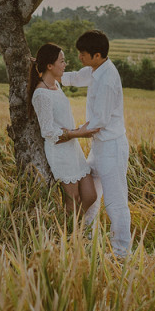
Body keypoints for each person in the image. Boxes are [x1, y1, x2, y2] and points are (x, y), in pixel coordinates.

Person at [62, 29, 131, 258]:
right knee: (90, 193)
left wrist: (70, 135)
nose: (80, 57)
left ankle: (121, 252)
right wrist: (46, 69)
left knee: (115, 201)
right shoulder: (95, 70)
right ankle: (86, 237)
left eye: (83, 53)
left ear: (98, 55)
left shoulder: (108, 80)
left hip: (111, 147)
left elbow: (97, 123)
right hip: (100, 147)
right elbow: (73, 78)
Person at [28, 43, 99, 218]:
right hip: (59, 151)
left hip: (72, 148)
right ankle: (68, 236)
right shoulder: (41, 94)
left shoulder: (56, 87)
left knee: (90, 196)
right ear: (49, 66)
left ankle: (73, 228)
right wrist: (79, 133)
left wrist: (78, 132)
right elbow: (49, 132)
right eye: (61, 61)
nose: (65, 64)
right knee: (72, 200)